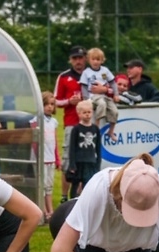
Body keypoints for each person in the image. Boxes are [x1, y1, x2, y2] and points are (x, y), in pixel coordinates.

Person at [54, 46, 87, 204]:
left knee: (85, 160)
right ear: (70, 60)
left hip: (88, 124)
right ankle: (64, 196)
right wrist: (69, 101)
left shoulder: (91, 75)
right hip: (71, 123)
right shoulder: (64, 77)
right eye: (75, 58)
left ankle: (82, 195)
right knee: (68, 160)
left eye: (80, 58)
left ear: (85, 59)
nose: (78, 61)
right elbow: (55, 101)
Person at [29, 91, 60, 221]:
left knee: (49, 185)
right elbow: (34, 142)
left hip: (50, 158)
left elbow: (55, 141)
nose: (49, 107)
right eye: (46, 104)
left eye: (52, 104)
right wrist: (37, 157)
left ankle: (50, 210)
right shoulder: (35, 121)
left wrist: (57, 158)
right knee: (41, 185)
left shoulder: (54, 122)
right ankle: (42, 211)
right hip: (40, 159)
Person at [80, 47, 120, 141]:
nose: (95, 62)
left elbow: (113, 83)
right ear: (89, 60)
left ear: (102, 60)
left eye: (98, 59)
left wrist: (116, 94)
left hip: (104, 96)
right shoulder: (86, 72)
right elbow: (84, 87)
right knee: (102, 104)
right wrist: (86, 100)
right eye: (93, 59)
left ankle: (111, 131)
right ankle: (96, 128)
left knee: (115, 111)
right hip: (93, 96)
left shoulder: (105, 71)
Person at [66, 100, 101, 199]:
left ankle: (86, 202)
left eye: (89, 112)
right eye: (84, 112)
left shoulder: (95, 129)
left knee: (88, 185)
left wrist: (98, 163)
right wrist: (72, 164)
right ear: (79, 114)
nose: (87, 114)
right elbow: (72, 148)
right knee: (75, 184)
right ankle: (73, 201)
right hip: (78, 162)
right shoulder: (76, 129)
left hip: (91, 162)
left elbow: (98, 148)